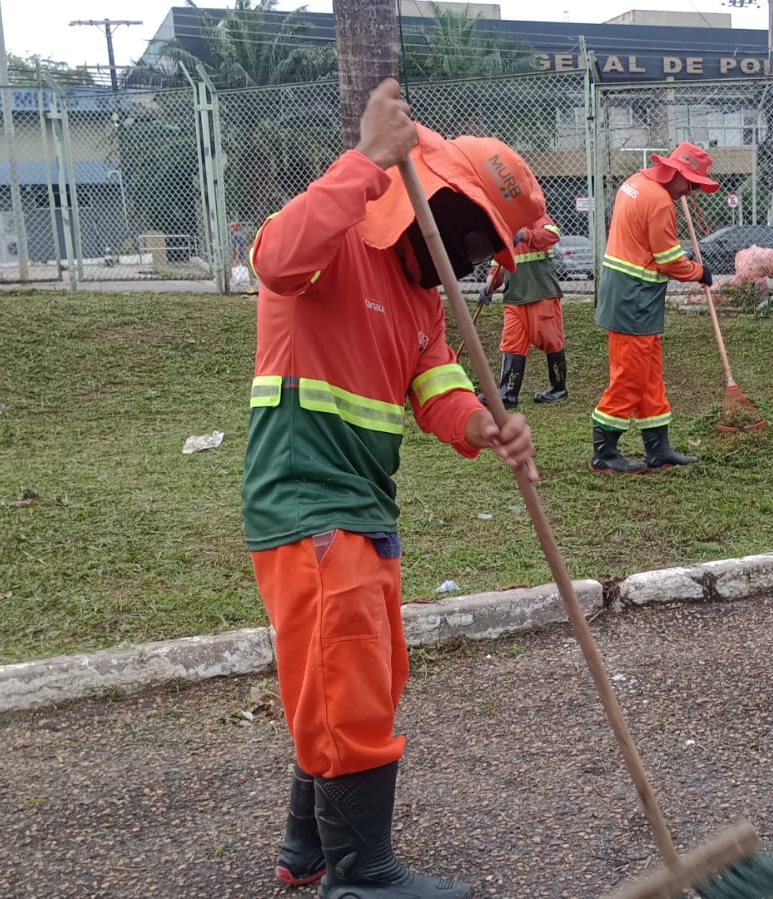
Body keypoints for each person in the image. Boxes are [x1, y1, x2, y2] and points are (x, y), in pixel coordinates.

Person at [243, 79, 542, 899]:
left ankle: (307, 845)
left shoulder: (420, 301)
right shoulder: (332, 242)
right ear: (431, 200)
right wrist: (367, 160)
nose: (478, 257)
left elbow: (437, 391)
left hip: (364, 506)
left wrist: (485, 423)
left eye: (490, 247)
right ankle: (361, 876)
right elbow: (271, 258)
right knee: (349, 682)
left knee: (348, 676)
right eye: (476, 233)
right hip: (307, 500)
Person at [590, 141, 717, 474]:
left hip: (631, 295)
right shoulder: (660, 202)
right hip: (635, 297)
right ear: (676, 172)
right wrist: (698, 272)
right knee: (630, 375)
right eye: (690, 184)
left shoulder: (634, 184)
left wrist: (678, 257)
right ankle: (604, 451)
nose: (690, 192)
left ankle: (658, 450)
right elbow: (668, 261)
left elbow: (647, 245)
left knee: (648, 376)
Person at [479, 212, 568, 407]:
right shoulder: (502, 223)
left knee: (551, 340)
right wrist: (489, 286)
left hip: (541, 292)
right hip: (514, 296)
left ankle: (559, 388)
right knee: (512, 344)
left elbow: (553, 234)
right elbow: (499, 260)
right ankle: (507, 395)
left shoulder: (535, 216)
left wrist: (525, 235)